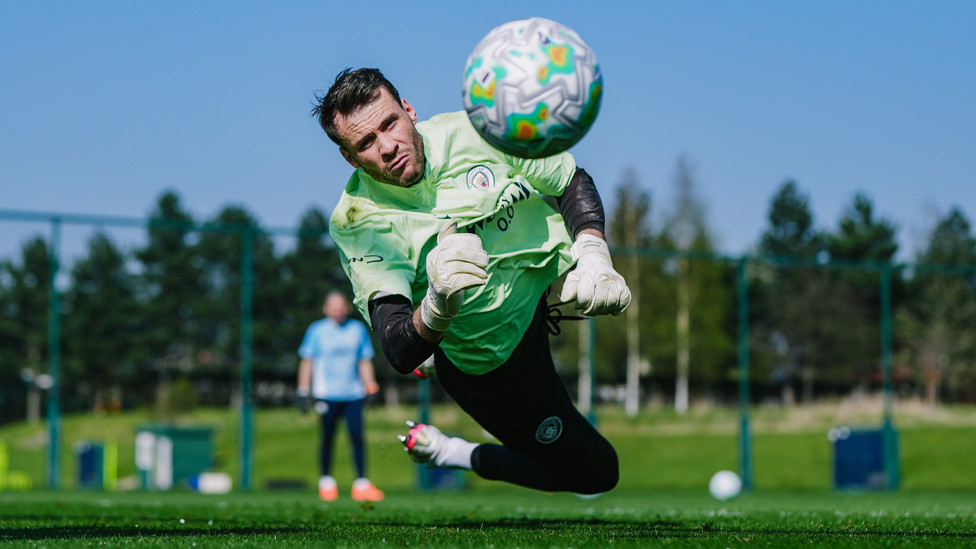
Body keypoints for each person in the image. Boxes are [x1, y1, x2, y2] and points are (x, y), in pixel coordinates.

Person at [312, 68, 631, 495]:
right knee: (595, 472)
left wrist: (593, 251)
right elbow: (398, 348)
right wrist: (438, 303)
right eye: (366, 143)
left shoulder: (480, 131)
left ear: (409, 111)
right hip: (492, 361)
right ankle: (450, 453)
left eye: (389, 124)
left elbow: (568, 178)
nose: (387, 147)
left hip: (536, 298)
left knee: (584, 470)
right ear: (350, 159)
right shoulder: (359, 219)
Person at [297, 290, 385, 502]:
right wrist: (303, 391)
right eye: (333, 306)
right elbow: (307, 361)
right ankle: (327, 483)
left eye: (341, 305)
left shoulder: (357, 329)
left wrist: (370, 386)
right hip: (326, 395)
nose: (337, 309)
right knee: (327, 438)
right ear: (326, 309)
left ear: (347, 307)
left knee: (357, 437)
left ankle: (361, 484)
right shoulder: (316, 330)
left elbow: (364, 360)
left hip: (353, 394)